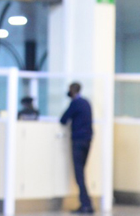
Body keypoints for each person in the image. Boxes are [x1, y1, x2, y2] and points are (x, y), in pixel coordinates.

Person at [60, 82, 94, 214]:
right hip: (87, 140)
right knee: (81, 172)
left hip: (78, 141)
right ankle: (86, 203)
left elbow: (63, 119)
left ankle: (86, 204)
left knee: (79, 173)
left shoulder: (75, 103)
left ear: (72, 90)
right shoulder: (86, 102)